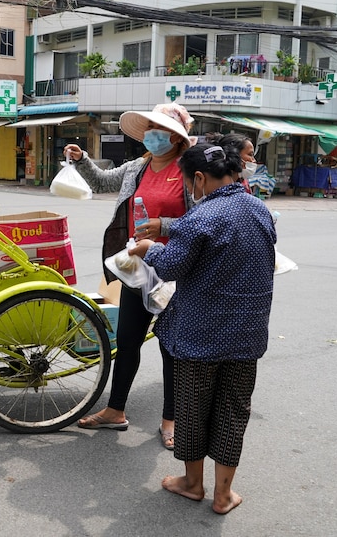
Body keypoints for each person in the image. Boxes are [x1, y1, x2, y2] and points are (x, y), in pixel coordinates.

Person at [128, 143, 276, 514]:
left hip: (200, 335)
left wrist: (150, 248)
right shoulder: (260, 209)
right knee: (233, 411)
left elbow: (172, 266)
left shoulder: (204, 215)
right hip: (247, 335)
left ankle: (193, 484)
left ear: (198, 178)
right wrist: (167, 224)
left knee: (192, 411)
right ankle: (224, 495)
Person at [68, 102, 195, 451]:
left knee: (172, 347)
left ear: (177, 137)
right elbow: (101, 181)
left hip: (174, 269)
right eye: (150, 129)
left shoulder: (189, 171)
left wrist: (163, 226)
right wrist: (81, 160)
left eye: (161, 131)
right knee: (126, 342)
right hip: (138, 270)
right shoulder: (137, 167)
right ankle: (115, 410)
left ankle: (170, 419)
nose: (153, 136)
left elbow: (203, 222)